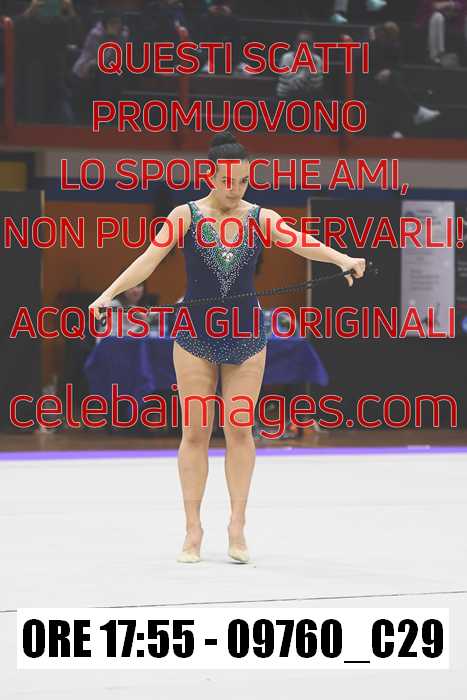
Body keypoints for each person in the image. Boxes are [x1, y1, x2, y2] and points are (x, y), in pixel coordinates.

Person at [88, 132, 366, 565]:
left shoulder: (259, 217)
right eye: (227, 181)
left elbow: (299, 240)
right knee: (195, 432)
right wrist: (108, 294)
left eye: (243, 181)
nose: (235, 189)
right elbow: (149, 259)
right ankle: (192, 529)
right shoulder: (185, 215)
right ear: (210, 177)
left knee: (239, 429)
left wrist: (342, 258)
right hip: (194, 332)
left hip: (246, 331)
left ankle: (237, 524)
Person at [368, 21, 440, 136]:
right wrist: (372, 43)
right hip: (369, 81)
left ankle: (393, 130)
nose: (382, 36)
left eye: (387, 35)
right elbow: (365, 66)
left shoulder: (394, 47)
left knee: (393, 86)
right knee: (393, 86)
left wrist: (389, 72)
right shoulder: (371, 45)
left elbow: (397, 68)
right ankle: (416, 112)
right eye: (382, 33)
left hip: (387, 83)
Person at [276, 30, 324, 99]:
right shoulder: (286, 58)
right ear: (295, 44)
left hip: (309, 97)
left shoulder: (317, 59)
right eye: (300, 42)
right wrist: (307, 70)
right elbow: (291, 85)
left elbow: (317, 85)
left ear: (312, 45)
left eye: (307, 43)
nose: (303, 46)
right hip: (286, 97)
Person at [416, 0, 467, 66]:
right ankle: (435, 57)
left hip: (456, 20)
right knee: (437, 17)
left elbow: (462, 4)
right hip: (431, 19)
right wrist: (444, 7)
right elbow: (432, 6)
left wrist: (451, 4)